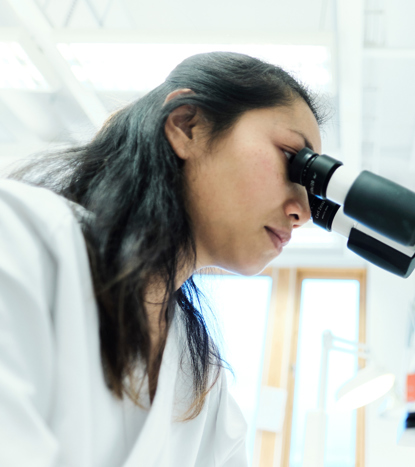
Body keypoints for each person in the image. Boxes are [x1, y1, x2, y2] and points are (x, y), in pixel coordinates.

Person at [0, 51, 323, 466]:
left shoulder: (200, 379)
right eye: (291, 159)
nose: (304, 212)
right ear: (188, 126)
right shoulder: (22, 239)